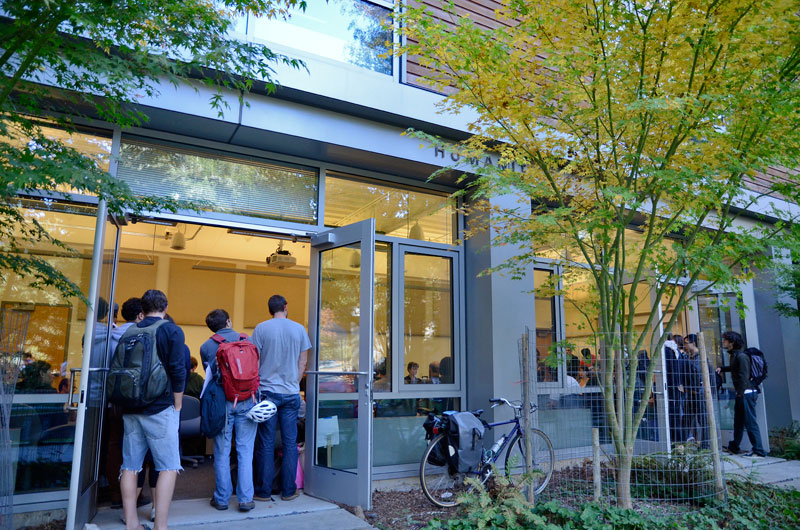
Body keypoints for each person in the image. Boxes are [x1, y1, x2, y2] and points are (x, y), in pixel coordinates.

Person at [119, 289, 186, 530]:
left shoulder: (130, 331)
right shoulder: (170, 330)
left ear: (142, 310)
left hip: (130, 407)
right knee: (168, 466)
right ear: (165, 307)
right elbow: (179, 370)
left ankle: (132, 524)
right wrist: (177, 405)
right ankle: (161, 526)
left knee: (130, 465)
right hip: (159, 407)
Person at [252, 295, 311, 502]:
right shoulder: (299, 329)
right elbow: (303, 360)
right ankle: (288, 490)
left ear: (270, 310)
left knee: (266, 443)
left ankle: (263, 492)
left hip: (267, 392)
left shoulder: (261, 328)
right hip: (291, 393)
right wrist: (294, 380)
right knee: (289, 443)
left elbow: (255, 360)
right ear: (286, 307)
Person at [202, 309, 258, 512]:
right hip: (247, 400)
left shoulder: (207, 346)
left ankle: (222, 499)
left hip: (223, 404)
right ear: (228, 322)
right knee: (245, 451)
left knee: (222, 451)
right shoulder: (247, 339)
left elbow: (210, 376)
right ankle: (245, 499)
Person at [717, 331, 766, 456]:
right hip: (742, 393)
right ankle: (734, 446)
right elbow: (735, 369)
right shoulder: (735, 356)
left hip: (746, 393)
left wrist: (741, 392)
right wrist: (722, 369)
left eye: (725, 340)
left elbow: (744, 376)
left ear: (732, 342)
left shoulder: (741, 356)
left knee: (750, 422)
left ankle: (759, 451)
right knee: (738, 421)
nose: (723, 342)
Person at [683, 334, 710, 447]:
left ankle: (705, 446)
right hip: (692, 394)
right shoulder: (691, 358)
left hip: (698, 394)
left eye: (686, 343)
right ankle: (685, 443)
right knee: (686, 419)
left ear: (693, 343)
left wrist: (692, 389)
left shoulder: (700, 359)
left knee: (702, 420)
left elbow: (698, 377)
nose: (684, 345)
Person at [664, 333, 687, 443]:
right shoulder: (676, 352)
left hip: (672, 387)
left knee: (675, 413)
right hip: (677, 387)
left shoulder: (667, 350)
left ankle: (677, 439)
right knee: (678, 413)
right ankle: (681, 439)